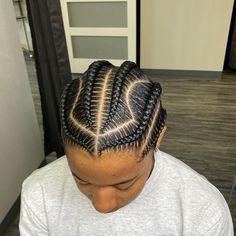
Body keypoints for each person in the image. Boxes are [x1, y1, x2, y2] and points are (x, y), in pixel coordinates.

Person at [19, 61, 234, 235]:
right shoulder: (38, 193)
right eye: (82, 179)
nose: (102, 206)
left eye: (124, 184)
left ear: (158, 139)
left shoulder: (203, 211)